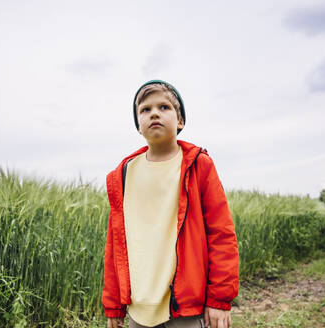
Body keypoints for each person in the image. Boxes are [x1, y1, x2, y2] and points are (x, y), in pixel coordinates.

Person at [102, 80, 239, 328]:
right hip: (138, 307)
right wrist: (114, 304)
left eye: (164, 107)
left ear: (180, 121)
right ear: (138, 126)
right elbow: (115, 244)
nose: (154, 112)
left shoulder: (198, 165)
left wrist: (219, 300)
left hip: (184, 309)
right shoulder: (122, 175)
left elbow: (221, 235)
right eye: (145, 110)